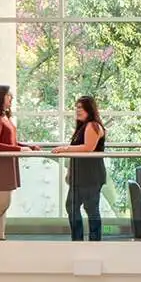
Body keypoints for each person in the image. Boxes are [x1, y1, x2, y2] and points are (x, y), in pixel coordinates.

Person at [0, 84, 35, 240]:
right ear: (0, 97)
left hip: (7, 163)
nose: (11, 98)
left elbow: (11, 142)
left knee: (4, 205)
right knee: (2, 204)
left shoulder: (5, 117)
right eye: (8, 95)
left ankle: (0, 236)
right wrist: (20, 150)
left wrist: (27, 146)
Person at [50, 95, 107, 241]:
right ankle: (78, 240)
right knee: (72, 207)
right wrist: (70, 171)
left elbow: (88, 148)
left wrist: (64, 148)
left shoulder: (92, 126)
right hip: (79, 176)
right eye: (76, 107)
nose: (77, 110)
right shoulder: (82, 127)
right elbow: (78, 150)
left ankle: (94, 241)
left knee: (91, 209)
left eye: (81, 107)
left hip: (91, 176)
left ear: (89, 109)